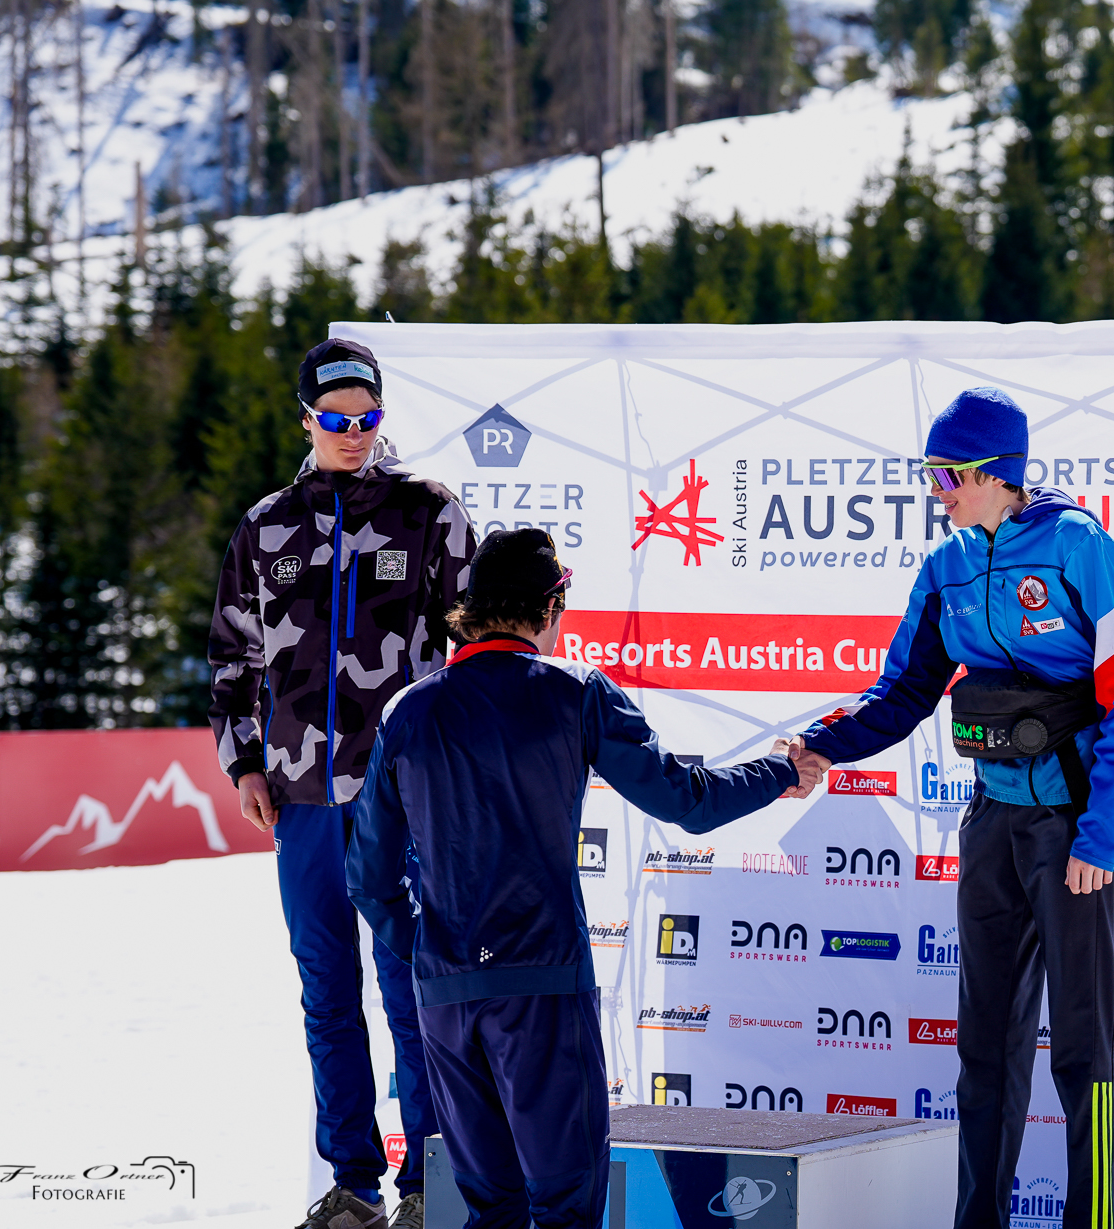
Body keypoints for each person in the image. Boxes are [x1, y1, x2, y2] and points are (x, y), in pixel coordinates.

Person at [346, 528, 818, 1229]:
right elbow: (686, 801)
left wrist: (428, 948)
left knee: (490, 1211)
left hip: (446, 994)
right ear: (549, 606)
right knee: (566, 1208)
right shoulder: (576, 690)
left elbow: (368, 876)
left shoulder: (407, 709)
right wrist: (779, 771)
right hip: (542, 988)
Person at [789, 387, 1114, 1229]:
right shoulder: (945, 566)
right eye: (930, 474)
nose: (936, 491)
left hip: (1075, 825)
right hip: (993, 820)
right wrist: (819, 744)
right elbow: (902, 691)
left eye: (947, 475)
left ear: (996, 472)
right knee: (985, 1045)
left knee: (1084, 1049)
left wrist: (1099, 836)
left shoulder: (1079, 546)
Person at [208, 338, 476, 1229]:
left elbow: (476, 644)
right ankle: (353, 1182)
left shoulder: (428, 509)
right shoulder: (265, 525)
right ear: (306, 419)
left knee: (411, 988)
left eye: (368, 417)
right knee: (326, 991)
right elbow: (232, 659)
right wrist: (245, 761)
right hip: (301, 800)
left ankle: (428, 1181)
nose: (353, 432)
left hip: (403, 799)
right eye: (335, 418)